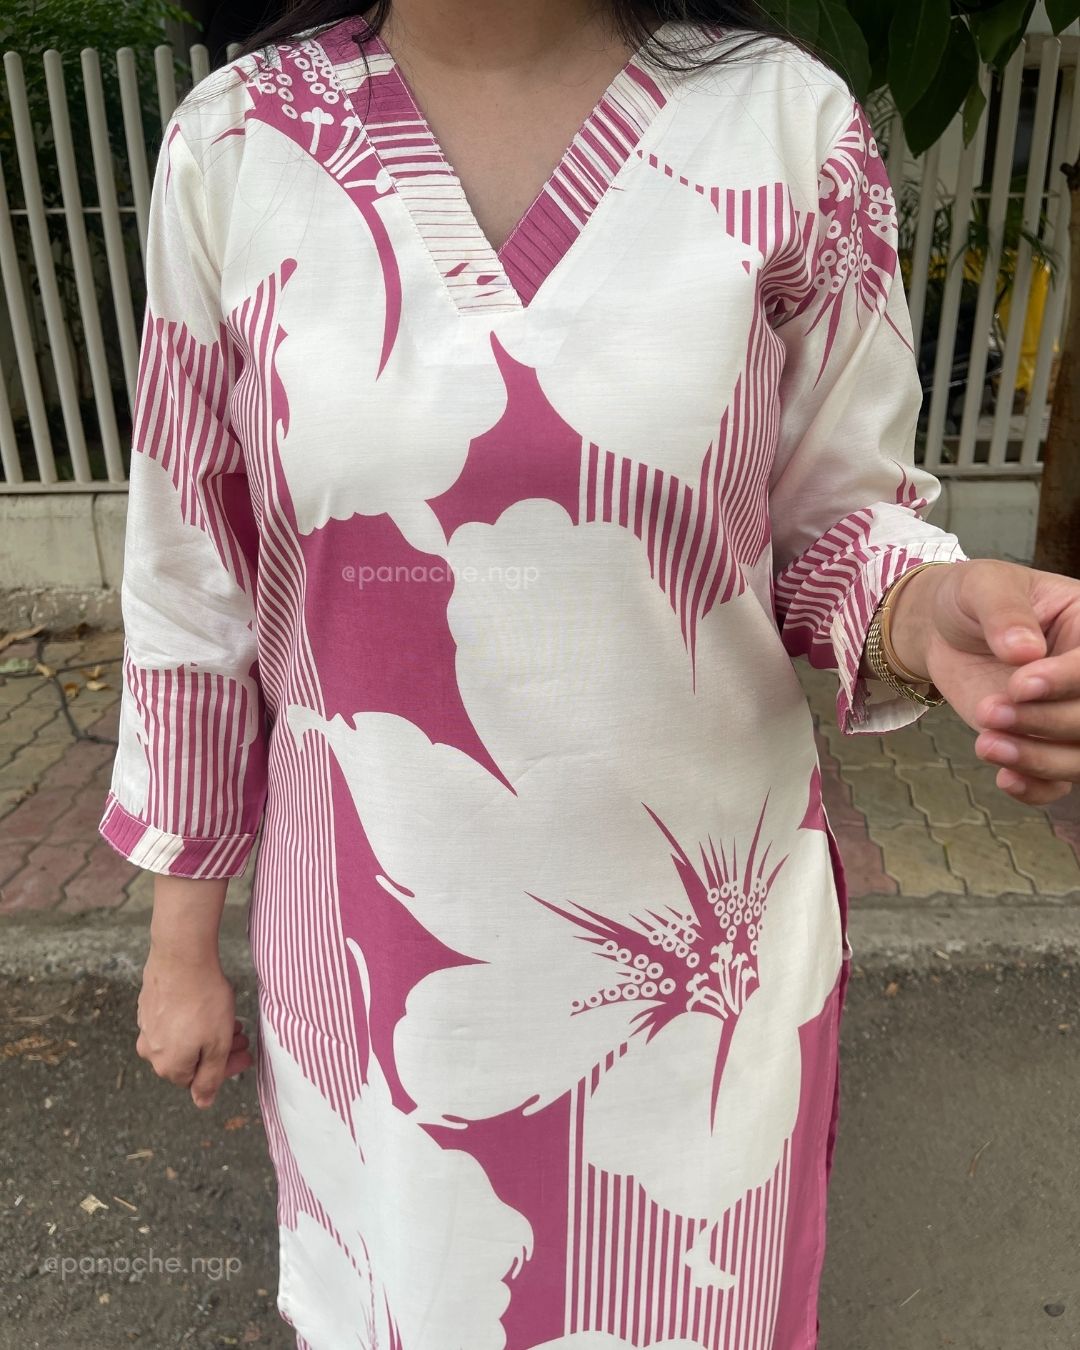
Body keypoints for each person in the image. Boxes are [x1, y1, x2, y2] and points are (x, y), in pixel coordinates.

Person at [98, 2, 1080, 1346]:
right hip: (378, 967)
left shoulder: (786, 127)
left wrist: (930, 608)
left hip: (708, 991)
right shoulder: (235, 147)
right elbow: (191, 581)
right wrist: (179, 942)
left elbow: (837, 523)